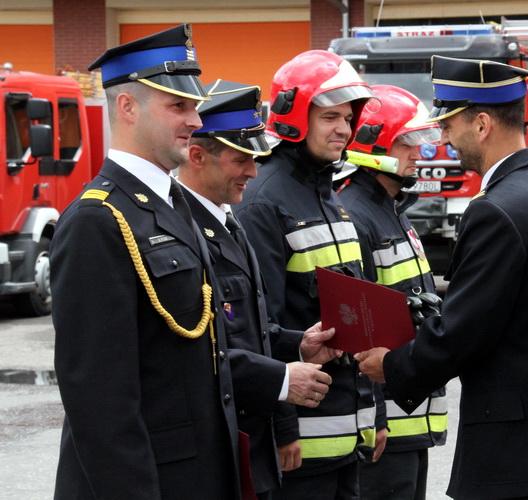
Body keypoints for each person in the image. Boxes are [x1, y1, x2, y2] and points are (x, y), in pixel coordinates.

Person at [356, 55, 528, 500]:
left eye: (450, 125)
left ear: (482, 124)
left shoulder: (495, 210)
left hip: (518, 456)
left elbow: (463, 330)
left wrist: (392, 366)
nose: (444, 139)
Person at [51, 25, 242, 499]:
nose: (195, 120)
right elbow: (100, 400)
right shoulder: (99, 220)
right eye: (178, 106)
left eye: (194, 106)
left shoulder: (172, 203)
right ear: (127, 107)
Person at [177, 79, 343, 499]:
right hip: (218, 448)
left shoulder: (227, 223)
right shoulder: (181, 230)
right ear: (197, 156)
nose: (253, 172)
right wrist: (282, 378)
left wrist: (298, 344)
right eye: (241, 159)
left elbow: (249, 329)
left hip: (251, 444)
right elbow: (194, 353)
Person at [235, 50, 386, 499]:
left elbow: (358, 319)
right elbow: (261, 327)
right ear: (294, 117)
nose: (343, 129)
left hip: (347, 437)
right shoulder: (264, 200)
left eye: (349, 118)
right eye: (330, 117)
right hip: (302, 444)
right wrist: (283, 427)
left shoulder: (330, 196)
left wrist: (374, 414)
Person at [338, 84, 447, 500]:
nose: (419, 153)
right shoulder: (357, 216)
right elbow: (358, 333)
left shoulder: (392, 209)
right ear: (373, 144)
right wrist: (375, 415)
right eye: (406, 143)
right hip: (387, 428)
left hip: (409, 420)